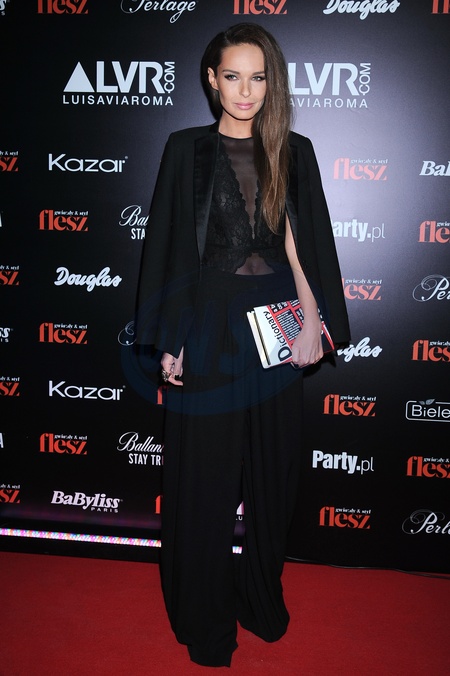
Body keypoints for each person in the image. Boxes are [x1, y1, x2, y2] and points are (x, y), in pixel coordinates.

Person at [137, 23, 350, 668]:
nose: (246, 90)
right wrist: (169, 340)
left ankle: (259, 597)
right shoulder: (185, 149)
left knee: (273, 474)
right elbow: (168, 246)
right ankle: (204, 615)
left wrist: (312, 322)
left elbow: (301, 243)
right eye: (233, 76)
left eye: (259, 77)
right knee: (202, 480)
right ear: (212, 80)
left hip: (276, 324)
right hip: (207, 325)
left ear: (271, 82)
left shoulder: (294, 150)